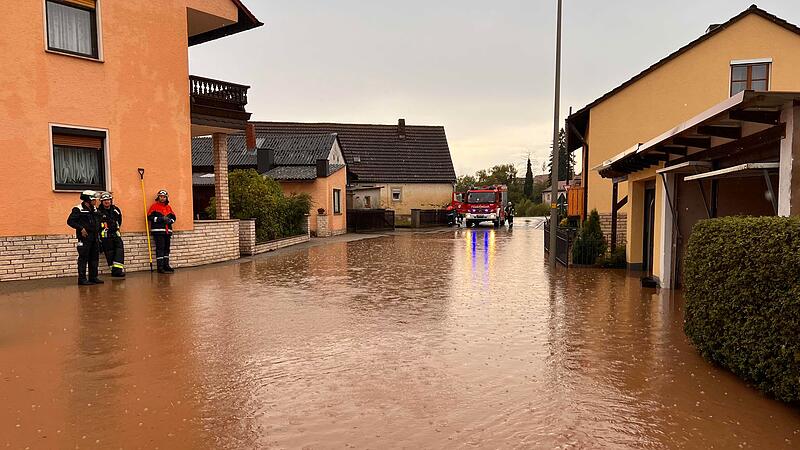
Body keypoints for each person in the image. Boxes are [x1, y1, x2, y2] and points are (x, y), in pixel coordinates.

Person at [67, 190, 103, 285]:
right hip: (84, 238)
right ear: (88, 200)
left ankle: (93, 277)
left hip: (94, 238)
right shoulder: (78, 209)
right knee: (83, 258)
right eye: (94, 199)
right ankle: (82, 279)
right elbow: (70, 221)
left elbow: (99, 220)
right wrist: (81, 228)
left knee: (94, 258)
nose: (95, 201)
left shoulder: (95, 209)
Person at [147, 189, 176, 273]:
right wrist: (160, 219)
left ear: (166, 198)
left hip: (167, 232)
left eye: (164, 197)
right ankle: (160, 267)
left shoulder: (168, 207)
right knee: (160, 249)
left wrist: (170, 221)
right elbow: (149, 217)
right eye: (161, 197)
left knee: (167, 249)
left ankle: (166, 265)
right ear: (158, 197)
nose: (162, 198)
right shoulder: (154, 206)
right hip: (158, 231)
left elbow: (174, 217)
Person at [97, 192, 125, 278]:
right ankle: (114, 271)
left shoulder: (116, 210)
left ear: (111, 200)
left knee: (119, 251)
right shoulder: (98, 212)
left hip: (116, 234)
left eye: (108, 200)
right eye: (104, 200)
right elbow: (97, 224)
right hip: (105, 236)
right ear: (101, 201)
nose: (107, 201)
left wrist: (114, 227)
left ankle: (118, 270)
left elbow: (119, 220)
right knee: (110, 254)